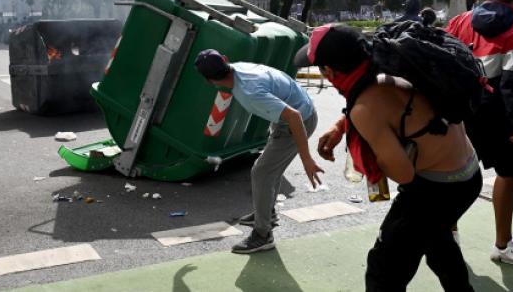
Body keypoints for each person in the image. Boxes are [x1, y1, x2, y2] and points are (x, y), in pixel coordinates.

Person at [294, 24, 481, 291]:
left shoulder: (365, 109)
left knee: (383, 271)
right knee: (437, 241)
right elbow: (386, 106)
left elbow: (402, 173)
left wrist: (368, 157)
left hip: (436, 190)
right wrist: (341, 126)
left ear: (331, 72)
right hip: (467, 174)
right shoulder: (391, 64)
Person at [446, 0, 513, 267]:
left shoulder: (459, 21)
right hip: (496, 108)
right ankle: (503, 245)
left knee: (452, 172)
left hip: (460, 107)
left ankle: (448, 233)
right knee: (509, 172)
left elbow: (444, 61)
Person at [194, 49, 321, 254]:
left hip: (298, 122)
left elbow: (294, 117)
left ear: (210, 81)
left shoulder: (249, 92)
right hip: (296, 111)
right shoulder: (240, 67)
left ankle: (263, 235)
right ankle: (267, 212)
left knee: (261, 172)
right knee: (271, 170)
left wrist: (307, 159)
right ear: (226, 60)